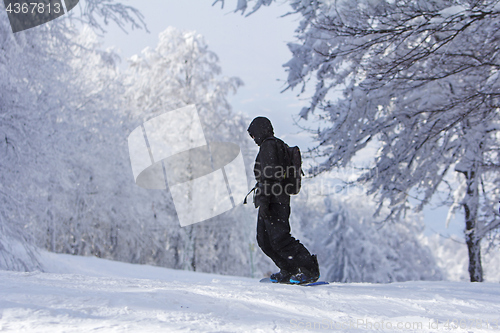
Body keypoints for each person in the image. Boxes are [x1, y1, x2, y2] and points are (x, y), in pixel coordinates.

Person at [247, 116, 320, 284]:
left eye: (254, 134)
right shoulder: (276, 145)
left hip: (274, 200)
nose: (253, 139)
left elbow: (270, 176)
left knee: (280, 239)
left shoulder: (269, 146)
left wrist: (265, 201)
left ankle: (310, 269)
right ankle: (288, 269)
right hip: (275, 199)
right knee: (264, 240)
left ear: (261, 130)